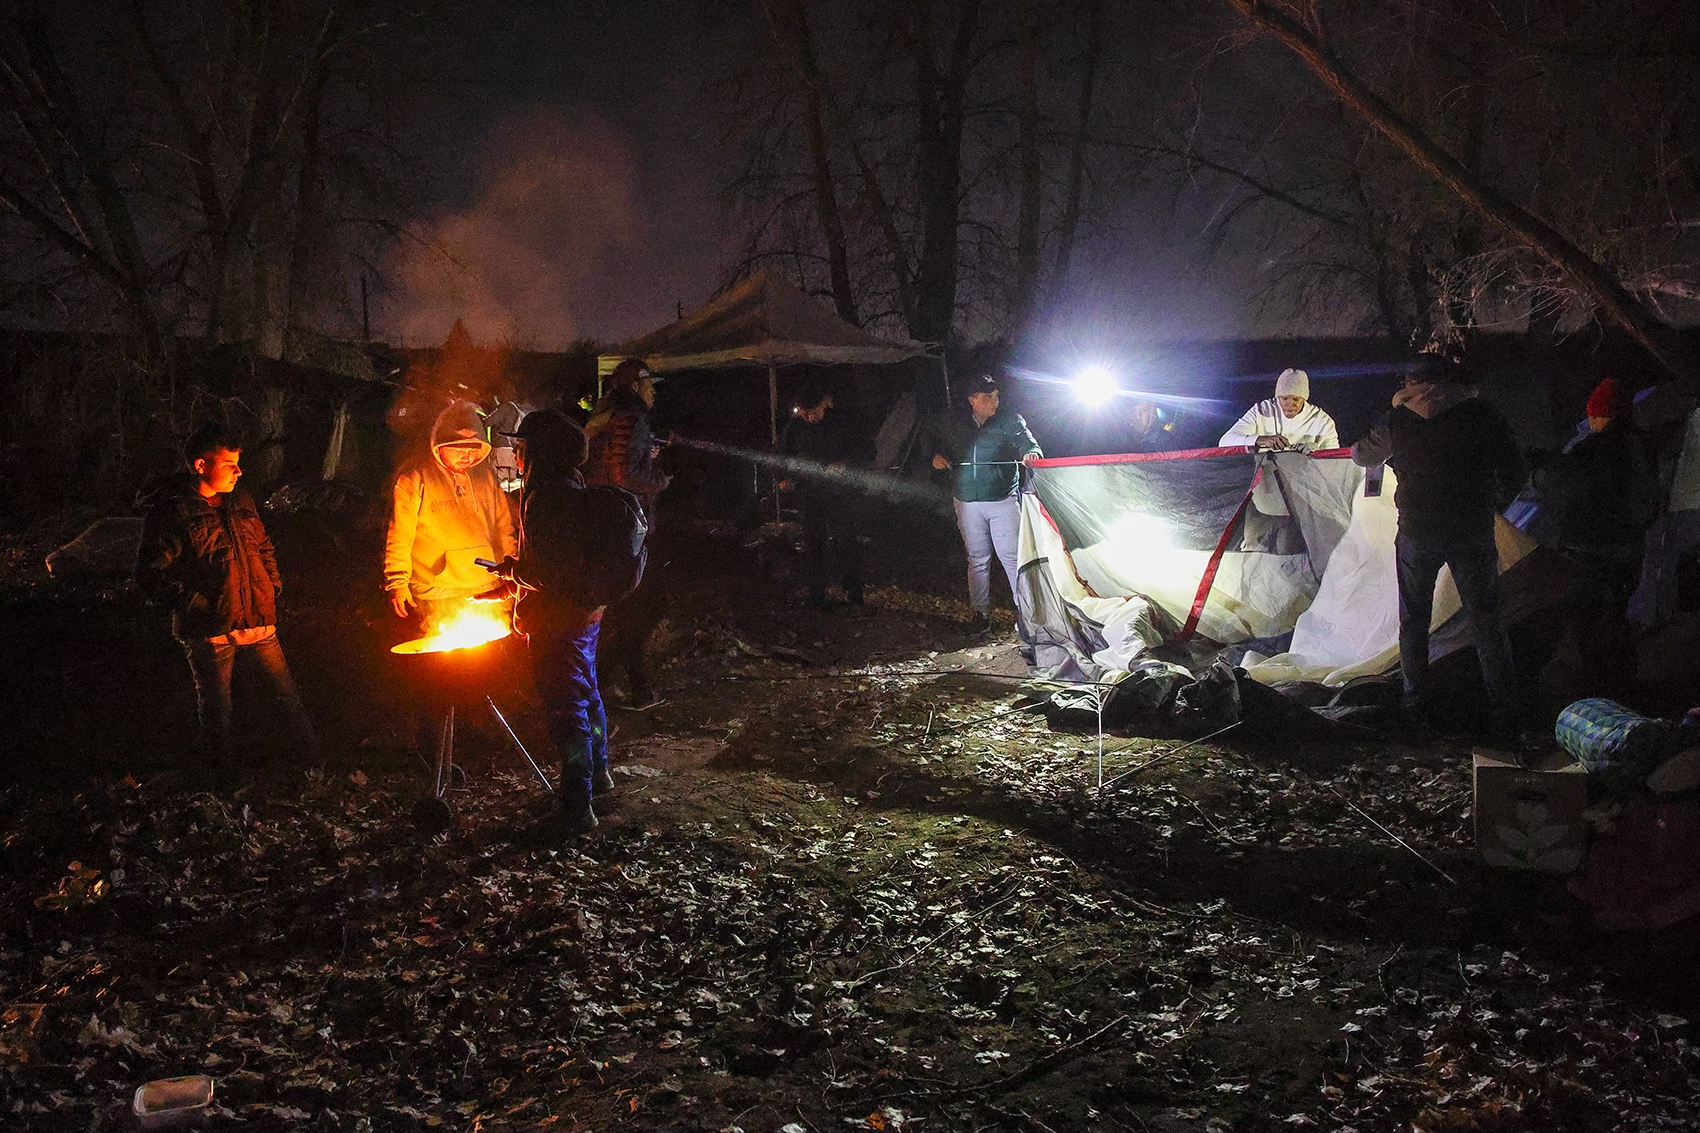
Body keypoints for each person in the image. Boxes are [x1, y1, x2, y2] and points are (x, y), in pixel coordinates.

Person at [1351, 355, 1526, 741]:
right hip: (1471, 529)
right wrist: (1490, 500)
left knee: (1414, 620)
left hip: (1416, 530)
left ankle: (1417, 706)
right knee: (1486, 620)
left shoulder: (1398, 420)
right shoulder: (1481, 414)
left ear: (1414, 381)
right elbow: (1515, 467)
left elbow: (1361, 455)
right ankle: (1505, 711)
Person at [136, 425, 319, 785]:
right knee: (218, 708)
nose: (239, 471)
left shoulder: (241, 501)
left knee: (287, 696)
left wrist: (271, 586)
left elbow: (264, 547)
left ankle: (312, 766)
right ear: (201, 465)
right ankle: (222, 780)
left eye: (239, 464)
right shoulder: (172, 512)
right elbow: (150, 574)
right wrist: (201, 605)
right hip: (211, 630)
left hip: (258, 619)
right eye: (230, 464)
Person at [509, 409, 621, 837]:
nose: (515, 454)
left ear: (537, 451)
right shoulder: (571, 485)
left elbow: (550, 571)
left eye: (520, 446)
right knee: (587, 692)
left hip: (560, 617)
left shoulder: (546, 495)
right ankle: (600, 773)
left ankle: (577, 803)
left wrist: (515, 575)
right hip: (586, 611)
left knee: (565, 706)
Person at [383, 398, 518, 626]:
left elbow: (504, 526)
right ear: (439, 445)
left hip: (486, 586)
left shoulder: (485, 475)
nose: (466, 456)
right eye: (458, 449)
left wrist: (513, 571)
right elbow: (400, 534)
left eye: (473, 449)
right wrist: (397, 583)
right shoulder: (414, 476)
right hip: (435, 590)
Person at [585, 359, 672, 708]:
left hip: (604, 526)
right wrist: (660, 479)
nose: (654, 391)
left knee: (625, 610)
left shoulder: (607, 416)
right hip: (625, 530)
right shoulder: (632, 417)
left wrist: (646, 455)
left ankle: (628, 686)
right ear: (636, 385)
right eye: (650, 384)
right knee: (644, 607)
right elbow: (625, 476)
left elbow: (609, 463)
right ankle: (605, 683)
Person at [931, 371, 1043, 637]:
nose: (994, 402)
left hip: (1002, 500)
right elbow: (933, 441)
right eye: (987, 397)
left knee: (1013, 559)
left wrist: (1032, 453)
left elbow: (1028, 442)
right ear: (972, 399)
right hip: (967, 501)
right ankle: (980, 616)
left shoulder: (1009, 420)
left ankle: (1027, 616)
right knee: (977, 560)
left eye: (996, 396)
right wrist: (934, 456)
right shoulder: (953, 421)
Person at [780, 384, 865, 607]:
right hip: (809, 493)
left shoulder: (843, 422)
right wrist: (785, 476)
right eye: (805, 413)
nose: (809, 417)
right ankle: (816, 593)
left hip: (839, 493)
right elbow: (784, 454)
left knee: (845, 540)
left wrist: (844, 464)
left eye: (813, 412)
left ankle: (854, 591)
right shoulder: (796, 427)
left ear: (824, 404)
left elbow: (866, 450)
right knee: (812, 542)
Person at [1219, 368, 1339, 452]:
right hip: (1265, 479)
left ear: (1304, 399)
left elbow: (1334, 459)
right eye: (1284, 398)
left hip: (1306, 480)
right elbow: (1225, 442)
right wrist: (1260, 440)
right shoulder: (1262, 410)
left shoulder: (1322, 420)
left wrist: (1316, 452)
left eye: (1296, 399)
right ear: (1277, 397)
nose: (1290, 404)